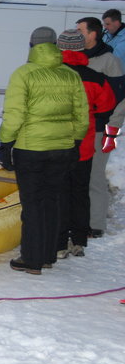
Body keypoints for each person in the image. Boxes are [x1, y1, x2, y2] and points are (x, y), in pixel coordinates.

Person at [0, 27, 88, 275]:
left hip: (31, 149)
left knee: (33, 203)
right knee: (52, 200)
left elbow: (15, 116)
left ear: (31, 46)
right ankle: (48, 254)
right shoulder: (70, 75)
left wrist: (5, 143)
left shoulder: (23, 74)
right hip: (62, 148)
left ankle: (32, 258)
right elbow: (82, 116)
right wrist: (75, 141)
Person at [54, 29, 115, 259]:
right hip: (85, 144)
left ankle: (59, 242)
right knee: (80, 192)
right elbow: (106, 106)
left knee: (60, 193)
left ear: (60, 49)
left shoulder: (53, 76)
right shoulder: (95, 77)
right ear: (82, 49)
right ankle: (79, 239)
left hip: (58, 143)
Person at [76, 17, 125, 237]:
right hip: (76, 128)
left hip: (99, 127)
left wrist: (113, 128)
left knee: (95, 176)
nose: (77, 34)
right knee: (76, 176)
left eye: (80, 30)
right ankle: (77, 220)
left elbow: (120, 98)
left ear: (93, 34)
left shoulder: (109, 61)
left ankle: (95, 224)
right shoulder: (74, 59)